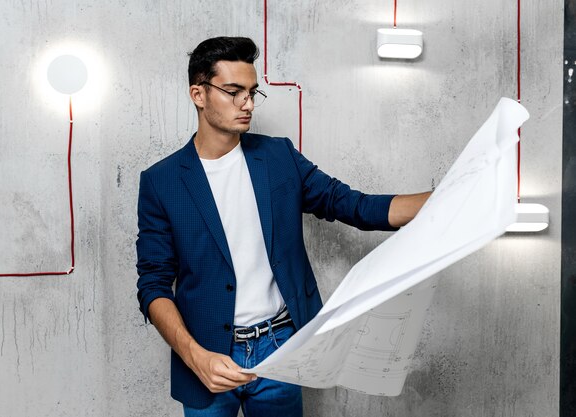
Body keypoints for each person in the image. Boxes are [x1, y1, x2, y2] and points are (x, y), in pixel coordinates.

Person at [136, 36, 430, 416]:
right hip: (207, 357)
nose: (248, 103)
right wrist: (196, 358)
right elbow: (153, 284)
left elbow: (354, 205)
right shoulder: (162, 181)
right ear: (198, 93)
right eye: (233, 91)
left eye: (253, 92)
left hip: (281, 349)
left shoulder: (279, 157)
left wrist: (448, 199)